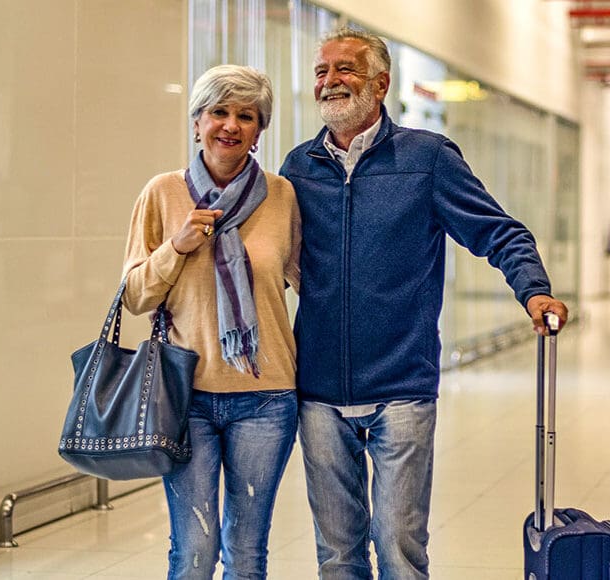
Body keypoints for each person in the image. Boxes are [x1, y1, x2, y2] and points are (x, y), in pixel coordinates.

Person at [279, 27, 569, 579]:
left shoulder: (427, 158)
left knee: (398, 548)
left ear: (381, 84)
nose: (330, 81)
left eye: (345, 69)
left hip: (402, 386)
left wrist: (534, 290)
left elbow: (499, 232)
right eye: (321, 71)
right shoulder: (298, 167)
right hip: (317, 389)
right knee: (337, 556)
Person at [122, 64, 301, 580]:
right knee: (194, 552)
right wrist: (175, 248)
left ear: (259, 130)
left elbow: (309, 283)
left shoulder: (281, 195)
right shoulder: (162, 193)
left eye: (246, 115)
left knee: (247, 554)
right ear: (197, 120)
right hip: (186, 396)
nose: (231, 124)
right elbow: (134, 296)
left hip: (267, 396)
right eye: (219, 111)